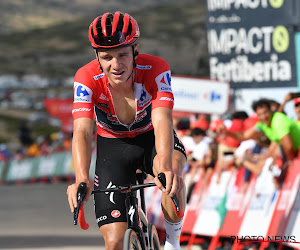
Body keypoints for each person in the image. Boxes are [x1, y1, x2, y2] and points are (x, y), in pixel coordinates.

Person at [66, 11, 187, 250]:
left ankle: (173, 243)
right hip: (113, 145)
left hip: (152, 136)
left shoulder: (156, 68)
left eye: (122, 54)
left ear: (135, 50)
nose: (116, 64)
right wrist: (81, 178)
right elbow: (81, 130)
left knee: (171, 171)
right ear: (97, 57)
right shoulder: (86, 77)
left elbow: (162, 118)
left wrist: (163, 166)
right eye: (107, 57)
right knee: (114, 243)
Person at [218, 98, 300, 169]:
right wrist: (227, 132)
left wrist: (291, 165)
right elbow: (244, 135)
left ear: (270, 111)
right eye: (260, 114)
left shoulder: (278, 121)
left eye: (265, 113)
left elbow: (289, 147)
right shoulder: (262, 125)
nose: (263, 117)